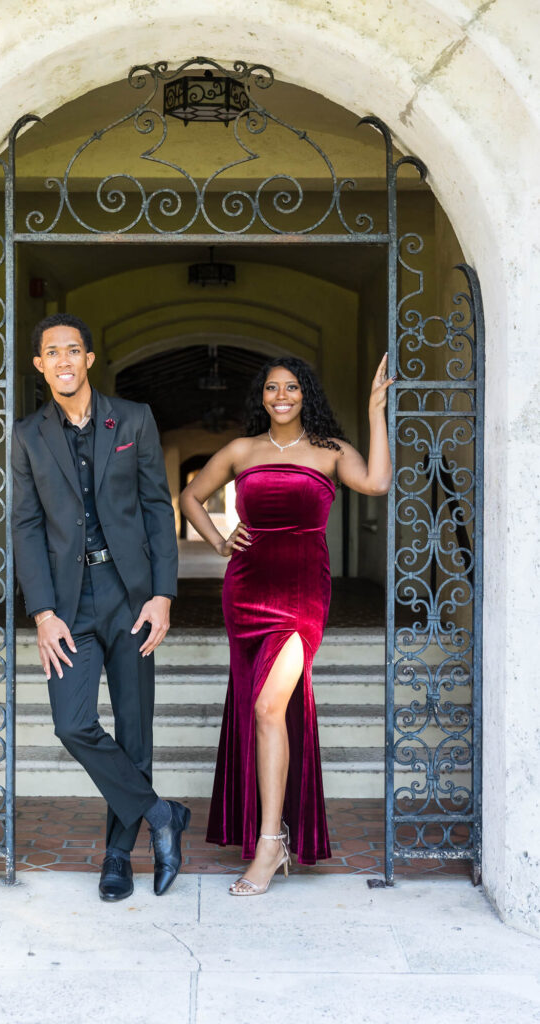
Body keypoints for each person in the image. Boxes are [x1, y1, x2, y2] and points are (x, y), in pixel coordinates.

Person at [180, 354, 394, 895]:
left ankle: (270, 844)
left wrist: (375, 410)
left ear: (306, 394)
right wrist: (218, 539)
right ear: (261, 397)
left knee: (267, 705)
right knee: (262, 708)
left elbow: (376, 482)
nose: (281, 395)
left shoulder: (329, 451)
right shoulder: (240, 450)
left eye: (292, 387)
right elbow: (189, 496)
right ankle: (271, 837)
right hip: (246, 590)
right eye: (272, 388)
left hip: (302, 594)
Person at [11, 312, 190, 901]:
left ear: (89, 359)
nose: (63, 360)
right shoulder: (27, 437)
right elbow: (27, 526)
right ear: (40, 365)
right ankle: (162, 815)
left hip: (130, 596)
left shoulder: (132, 419)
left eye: (73, 350)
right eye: (51, 352)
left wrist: (163, 595)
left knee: (136, 734)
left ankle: (118, 857)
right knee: (73, 722)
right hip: (66, 605)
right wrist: (42, 612)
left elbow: (158, 510)